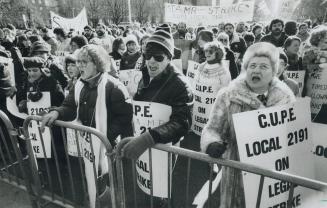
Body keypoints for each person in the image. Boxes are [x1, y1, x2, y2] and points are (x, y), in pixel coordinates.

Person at [201, 42, 296, 208]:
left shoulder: (285, 98)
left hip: (272, 171)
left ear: (274, 71)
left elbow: (294, 134)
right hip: (236, 169)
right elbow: (212, 128)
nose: (256, 70)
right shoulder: (228, 95)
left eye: (263, 66)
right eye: (252, 65)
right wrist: (211, 143)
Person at [117, 28, 193, 159]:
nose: (151, 60)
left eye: (158, 57)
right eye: (148, 55)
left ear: (169, 58)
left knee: (160, 179)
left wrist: (149, 138)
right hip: (141, 145)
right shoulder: (143, 75)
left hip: (164, 148)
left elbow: (182, 122)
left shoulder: (180, 85)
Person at [40, 44, 133, 147]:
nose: (79, 66)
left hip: (109, 147)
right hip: (87, 145)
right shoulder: (79, 84)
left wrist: (104, 137)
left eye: (84, 62)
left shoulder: (115, 87)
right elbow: (69, 106)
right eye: (78, 61)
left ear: (97, 64)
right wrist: (56, 112)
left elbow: (124, 118)